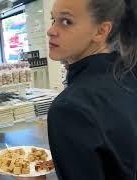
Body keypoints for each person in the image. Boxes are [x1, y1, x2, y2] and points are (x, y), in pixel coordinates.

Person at [47, 0, 137, 179]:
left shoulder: (70, 108)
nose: (51, 30)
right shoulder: (129, 73)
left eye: (66, 21)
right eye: (53, 19)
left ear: (101, 31)